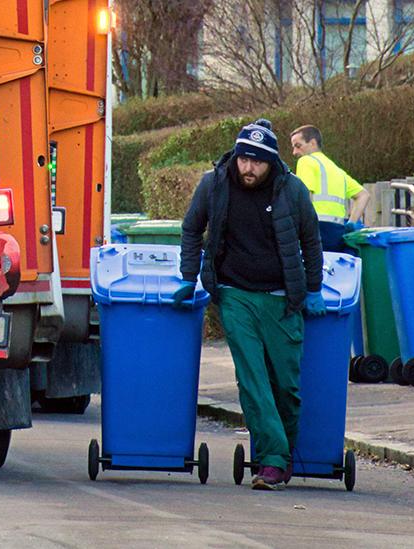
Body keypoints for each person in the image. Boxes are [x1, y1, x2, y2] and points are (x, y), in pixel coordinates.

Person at [173, 119, 326, 491]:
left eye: (257, 162)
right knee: (254, 381)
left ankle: (281, 456)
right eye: (243, 158)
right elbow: (192, 228)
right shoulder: (215, 184)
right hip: (235, 294)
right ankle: (273, 461)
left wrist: (313, 288)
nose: (248, 168)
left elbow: (311, 240)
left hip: (281, 299)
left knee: (286, 388)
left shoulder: (292, 191)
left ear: (271, 162)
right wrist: (187, 275)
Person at [290, 125, 371, 252]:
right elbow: (363, 195)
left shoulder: (306, 161)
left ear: (312, 143)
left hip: (314, 229)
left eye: (298, 146)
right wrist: (351, 223)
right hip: (338, 231)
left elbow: (305, 197)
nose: (294, 152)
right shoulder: (335, 169)